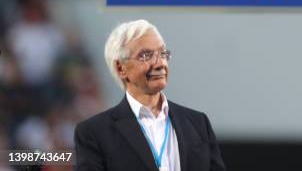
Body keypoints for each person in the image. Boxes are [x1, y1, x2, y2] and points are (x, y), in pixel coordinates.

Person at [74, 20, 225, 171]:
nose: (160, 64)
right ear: (121, 68)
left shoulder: (198, 124)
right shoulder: (94, 133)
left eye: (163, 53)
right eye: (146, 55)